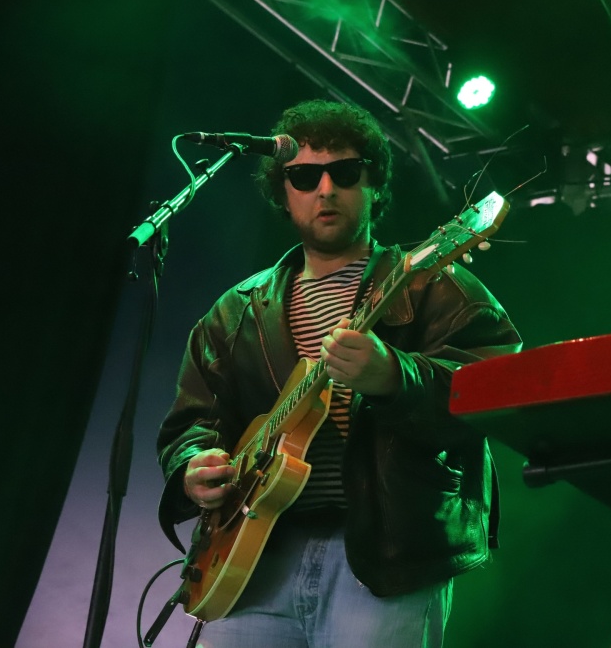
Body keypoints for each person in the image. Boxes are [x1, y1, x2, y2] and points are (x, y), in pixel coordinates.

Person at [156, 98, 522, 647]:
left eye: (345, 172)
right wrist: (192, 465)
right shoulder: (235, 311)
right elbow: (191, 420)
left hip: (384, 559)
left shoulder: (434, 284)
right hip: (249, 558)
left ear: (374, 184)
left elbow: (500, 392)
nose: (325, 189)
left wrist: (396, 377)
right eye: (304, 177)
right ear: (283, 191)